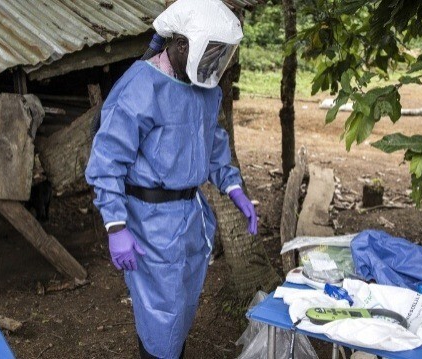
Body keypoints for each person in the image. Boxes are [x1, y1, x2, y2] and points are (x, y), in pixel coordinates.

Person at [85, 0, 257, 357]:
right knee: (159, 317)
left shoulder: (206, 91)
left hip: (189, 219)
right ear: (181, 45)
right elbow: (107, 160)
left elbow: (212, 145)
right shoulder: (141, 86)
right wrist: (116, 227)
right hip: (149, 222)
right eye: (210, 51)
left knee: (179, 310)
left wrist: (233, 186)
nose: (214, 62)